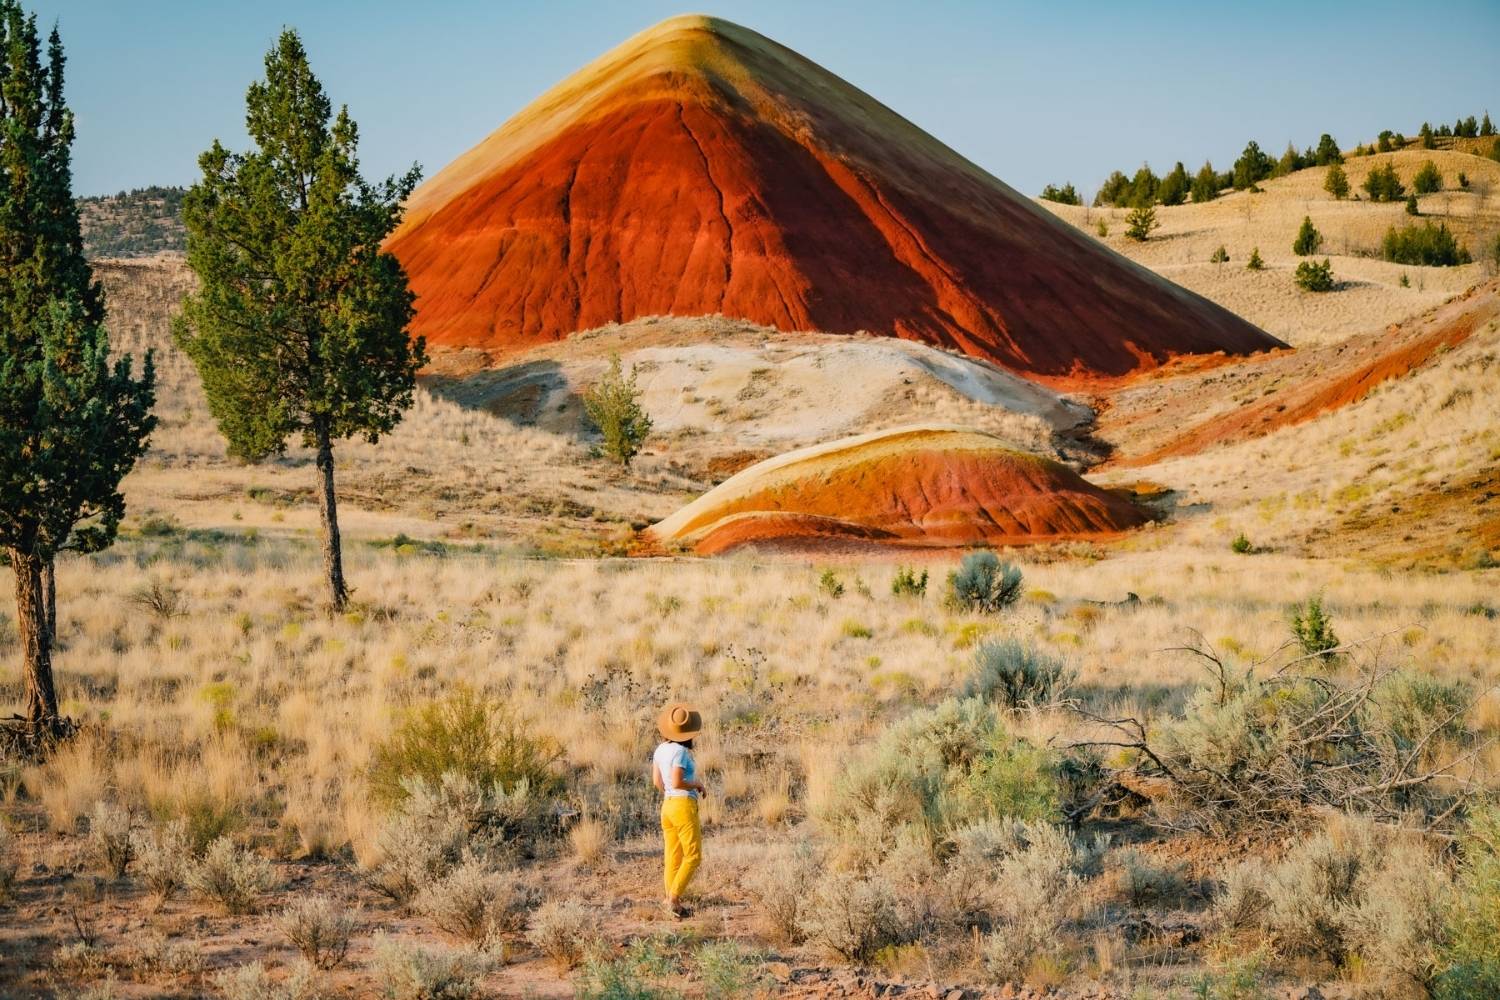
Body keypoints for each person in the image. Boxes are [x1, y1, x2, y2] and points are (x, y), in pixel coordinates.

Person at [652, 702, 707, 918]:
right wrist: (697, 785)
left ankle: (671, 901)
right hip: (683, 805)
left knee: (673, 856)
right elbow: (677, 780)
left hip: (667, 805)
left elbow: (658, 781)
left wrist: (671, 793)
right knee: (693, 856)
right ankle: (673, 898)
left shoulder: (660, 750)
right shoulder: (681, 752)